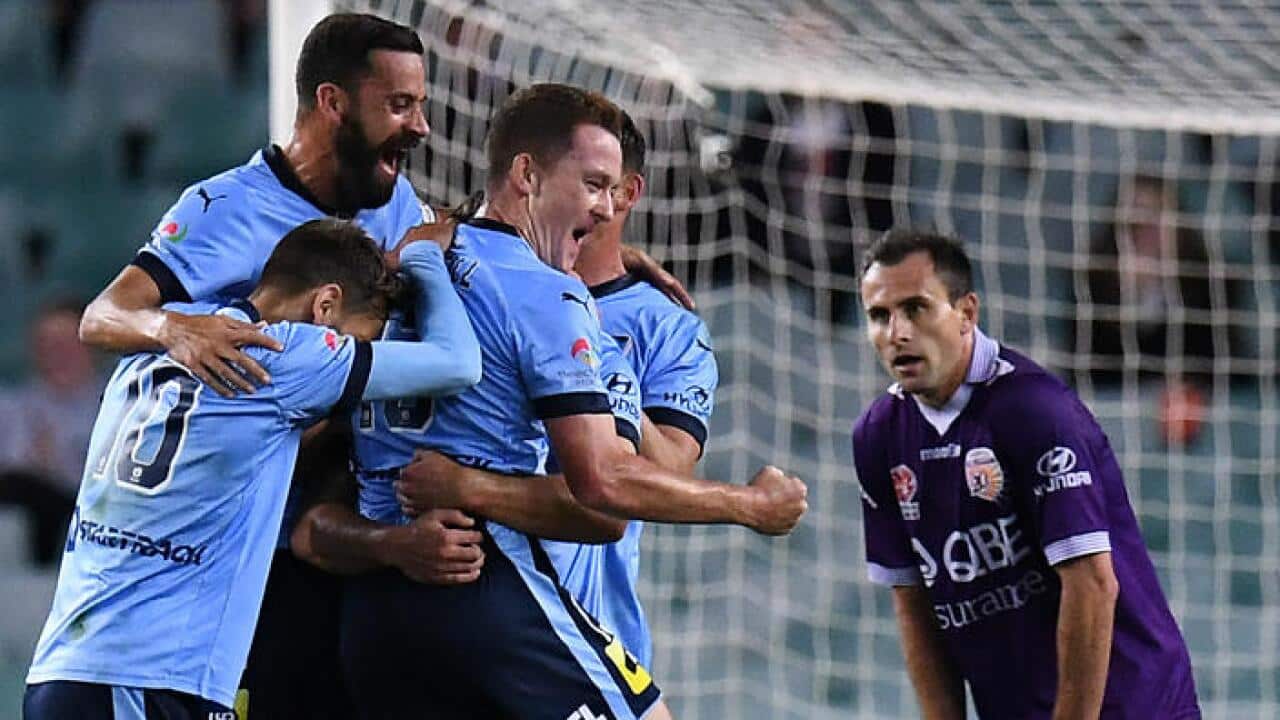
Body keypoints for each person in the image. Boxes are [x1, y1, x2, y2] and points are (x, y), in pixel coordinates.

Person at [335, 83, 806, 720]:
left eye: (614, 189)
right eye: (591, 184)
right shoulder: (547, 293)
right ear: (526, 174)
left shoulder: (406, 259)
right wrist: (749, 505)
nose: (605, 207)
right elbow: (604, 486)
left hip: (373, 609)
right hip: (494, 599)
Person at [24, 219, 481, 719]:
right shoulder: (284, 353)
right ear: (324, 306)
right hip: (143, 679)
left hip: (80, 668)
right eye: (359, 338)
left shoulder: (169, 335)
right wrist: (423, 257)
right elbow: (458, 363)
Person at [396, 109, 722, 669]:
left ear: (627, 192)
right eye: (584, 180)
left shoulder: (665, 326)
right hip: (475, 604)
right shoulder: (465, 276)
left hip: (595, 624)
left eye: (603, 185)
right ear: (533, 177)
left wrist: (594, 352)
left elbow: (664, 478)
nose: (592, 202)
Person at [851, 228, 1200, 719]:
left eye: (916, 309)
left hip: (1135, 707)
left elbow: (1093, 586)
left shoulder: (1035, 411)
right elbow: (913, 600)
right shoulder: (878, 437)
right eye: (879, 316)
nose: (897, 333)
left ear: (967, 313)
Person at [0, 299, 103, 565]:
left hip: (90, 517)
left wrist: (54, 464)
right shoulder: (11, 407)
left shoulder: (118, 408)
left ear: (92, 348)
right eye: (47, 345)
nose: (57, 354)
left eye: (67, 344)